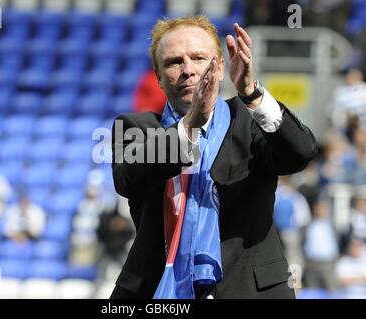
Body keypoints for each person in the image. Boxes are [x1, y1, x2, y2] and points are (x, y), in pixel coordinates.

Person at [110, 16, 318, 299]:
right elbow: (128, 180)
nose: (188, 70)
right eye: (174, 62)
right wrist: (191, 124)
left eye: (198, 58)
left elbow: (300, 153)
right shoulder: (137, 127)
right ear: (158, 78)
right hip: (157, 291)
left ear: (221, 67)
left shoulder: (247, 120)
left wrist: (252, 93)